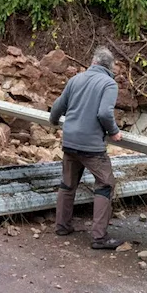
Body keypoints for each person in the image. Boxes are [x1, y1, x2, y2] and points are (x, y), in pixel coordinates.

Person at [49, 46, 124, 249]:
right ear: (110, 67)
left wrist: (54, 121)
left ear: (93, 62)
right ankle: (99, 237)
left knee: (67, 183)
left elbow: (58, 106)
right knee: (105, 184)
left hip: (70, 141)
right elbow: (105, 114)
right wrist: (114, 132)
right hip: (91, 146)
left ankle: (62, 226)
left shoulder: (76, 79)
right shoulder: (109, 84)